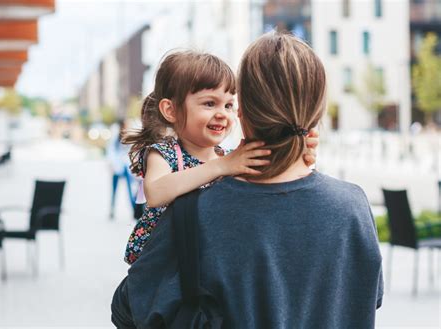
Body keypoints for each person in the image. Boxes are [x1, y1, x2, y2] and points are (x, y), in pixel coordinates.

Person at [112, 32, 383, 328]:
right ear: (316, 113)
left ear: (243, 111)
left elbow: (129, 307)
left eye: (229, 104)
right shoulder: (353, 207)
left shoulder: (195, 214)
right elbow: (368, 296)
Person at [121, 51, 319, 264]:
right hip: (165, 261)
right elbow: (156, 193)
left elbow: (263, 170)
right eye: (209, 103)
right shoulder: (164, 153)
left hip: (206, 259)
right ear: (171, 110)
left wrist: (300, 153)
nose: (222, 114)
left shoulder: (227, 157)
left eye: (228, 105)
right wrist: (220, 166)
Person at [106, 120, 137, 219]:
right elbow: (111, 152)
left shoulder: (130, 137)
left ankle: (134, 210)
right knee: (114, 190)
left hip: (126, 167)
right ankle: (112, 209)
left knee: (129, 190)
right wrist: (112, 165)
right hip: (117, 167)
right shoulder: (115, 138)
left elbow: (132, 151)